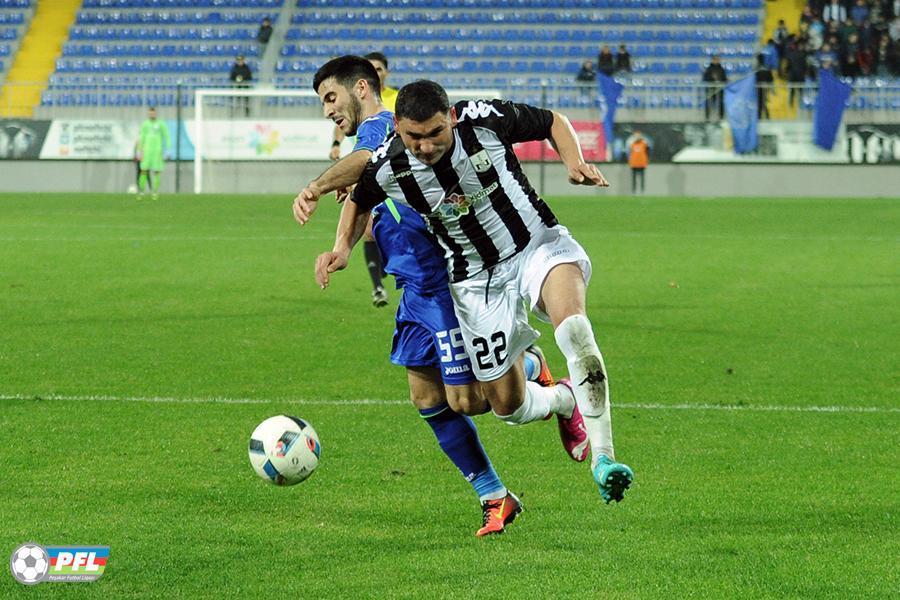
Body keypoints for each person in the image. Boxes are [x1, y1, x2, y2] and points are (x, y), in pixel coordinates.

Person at [302, 79, 635, 503]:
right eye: (414, 137)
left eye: (436, 133)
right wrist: (342, 249)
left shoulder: (483, 119)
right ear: (398, 128)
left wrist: (574, 162)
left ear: (452, 118)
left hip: (535, 245)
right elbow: (360, 197)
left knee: (573, 329)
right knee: (505, 406)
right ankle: (562, 399)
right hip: (474, 281)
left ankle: (604, 458)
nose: (426, 146)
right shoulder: (390, 163)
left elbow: (552, 121)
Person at [329, 51, 399, 308]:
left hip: (391, 176)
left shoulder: (393, 101)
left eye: (379, 69)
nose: (376, 73)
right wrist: (337, 145)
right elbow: (343, 126)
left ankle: (389, 261)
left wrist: (317, 187)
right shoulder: (358, 107)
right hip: (369, 170)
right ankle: (378, 286)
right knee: (369, 229)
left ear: (386, 73)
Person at [137, 106, 169, 200]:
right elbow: (141, 137)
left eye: (153, 113)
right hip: (146, 151)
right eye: (150, 113)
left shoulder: (161, 124)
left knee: (157, 171)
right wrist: (139, 150)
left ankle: (155, 192)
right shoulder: (145, 124)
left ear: (156, 114)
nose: (152, 115)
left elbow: (166, 136)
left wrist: (167, 149)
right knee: (143, 171)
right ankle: (141, 191)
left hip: (157, 151)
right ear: (148, 114)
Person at [702, 55, 728, 121]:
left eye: (717, 59)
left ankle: (721, 117)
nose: (716, 61)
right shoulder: (708, 69)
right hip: (711, 88)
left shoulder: (721, 69)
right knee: (709, 102)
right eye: (715, 59)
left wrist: (723, 81)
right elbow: (705, 78)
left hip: (719, 88)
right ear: (712, 60)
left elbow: (725, 79)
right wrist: (712, 80)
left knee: (721, 102)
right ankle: (707, 117)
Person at [754, 53, 774, 119]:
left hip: (758, 89)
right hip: (764, 88)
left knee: (760, 103)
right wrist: (771, 88)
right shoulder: (767, 68)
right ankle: (766, 117)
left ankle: (760, 117)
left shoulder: (756, 69)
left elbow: (753, 80)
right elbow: (771, 79)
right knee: (763, 103)